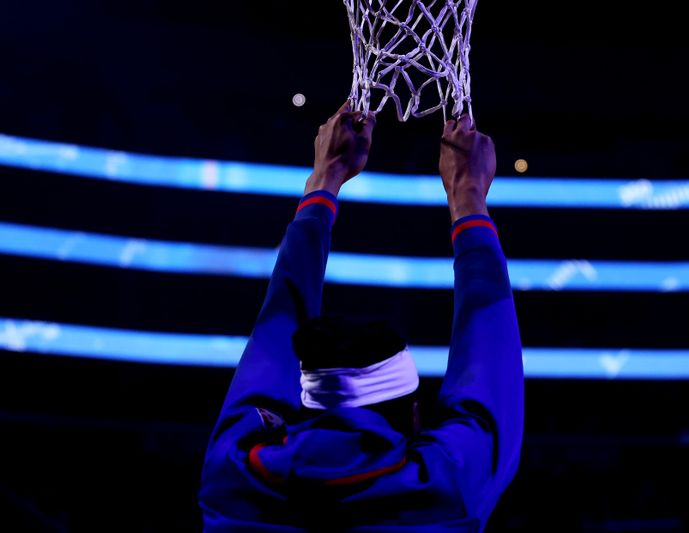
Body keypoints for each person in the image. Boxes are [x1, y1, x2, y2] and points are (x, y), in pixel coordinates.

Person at [199, 101, 524, 532]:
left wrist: (325, 180)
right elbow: (489, 364)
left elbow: (275, 334)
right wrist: (466, 194)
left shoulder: (236, 470)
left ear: (306, 400)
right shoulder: (444, 488)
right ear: (411, 418)